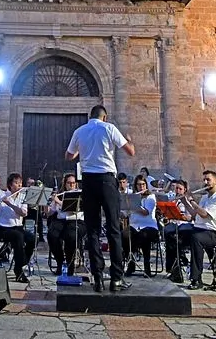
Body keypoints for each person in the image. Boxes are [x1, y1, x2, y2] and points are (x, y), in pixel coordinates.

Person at [66, 104, 136, 292]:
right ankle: (116, 279)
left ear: (90, 116)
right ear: (104, 117)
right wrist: (130, 141)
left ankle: (97, 277)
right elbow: (130, 151)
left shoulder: (79, 131)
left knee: (93, 230)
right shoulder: (109, 128)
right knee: (114, 228)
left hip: (88, 181)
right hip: (106, 180)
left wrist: (83, 150)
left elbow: (69, 156)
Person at [180, 170, 216, 289]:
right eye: (204, 180)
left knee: (196, 239)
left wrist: (192, 200)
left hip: (214, 233)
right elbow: (195, 214)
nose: (205, 182)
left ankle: (196, 278)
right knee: (175, 233)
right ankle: (176, 271)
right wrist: (185, 201)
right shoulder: (205, 197)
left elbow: (204, 214)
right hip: (199, 229)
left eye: (208, 180)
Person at [0, 172, 34, 283]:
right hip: (3, 229)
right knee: (18, 237)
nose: (19, 185)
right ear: (10, 185)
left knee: (31, 238)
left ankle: (22, 261)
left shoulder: (23, 196)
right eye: (16, 183)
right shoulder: (1, 197)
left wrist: (10, 204)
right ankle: (18, 270)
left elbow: (23, 214)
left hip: (18, 227)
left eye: (20, 183)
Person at [48, 173, 86, 276]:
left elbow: (74, 210)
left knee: (71, 236)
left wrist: (59, 202)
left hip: (76, 220)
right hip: (61, 220)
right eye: (69, 183)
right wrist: (51, 203)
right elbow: (50, 212)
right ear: (65, 184)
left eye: (73, 183)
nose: (71, 185)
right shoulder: (60, 194)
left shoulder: (80, 194)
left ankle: (70, 266)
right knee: (52, 235)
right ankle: (59, 262)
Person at [124, 174, 159, 277]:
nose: (141, 187)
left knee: (144, 237)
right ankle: (131, 263)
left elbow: (146, 212)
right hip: (135, 225)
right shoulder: (132, 197)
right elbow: (126, 213)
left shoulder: (151, 197)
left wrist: (134, 203)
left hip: (149, 226)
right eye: (139, 185)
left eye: (143, 184)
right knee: (124, 236)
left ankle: (147, 267)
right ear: (136, 186)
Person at [162, 179, 193, 282]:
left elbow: (191, 217)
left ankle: (176, 266)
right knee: (168, 233)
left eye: (180, 189)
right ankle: (174, 267)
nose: (178, 191)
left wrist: (183, 217)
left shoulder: (189, 200)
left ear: (184, 190)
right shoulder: (171, 200)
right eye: (176, 188)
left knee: (174, 240)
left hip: (184, 225)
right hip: (174, 225)